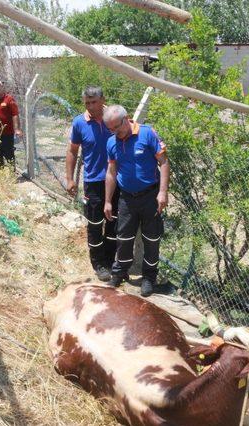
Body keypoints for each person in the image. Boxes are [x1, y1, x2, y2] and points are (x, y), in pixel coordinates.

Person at [103, 105, 170, 297]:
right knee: (123, 237)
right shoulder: (111, 143)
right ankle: (119, 273)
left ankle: (149, 278)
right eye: (110, 129)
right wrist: (108, 201)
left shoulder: (147, 134)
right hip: (126, 199)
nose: (115, 132)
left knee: (151, 238)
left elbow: (164, 162)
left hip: (150, 197)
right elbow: (111, 172)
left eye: (117, 127)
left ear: (127, 119)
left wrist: (163, 192)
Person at [65, 86, 118, 282]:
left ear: (103, 99)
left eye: (94, 102)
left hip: (117, 181)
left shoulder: (113, 118)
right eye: (87, 103)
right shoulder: (80, 122)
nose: (90, 106)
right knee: (95, 224)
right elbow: (72, 151)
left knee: (114, 223)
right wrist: (70, 179)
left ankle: (112, 261)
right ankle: (99, 264)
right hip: (94, 182)